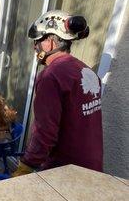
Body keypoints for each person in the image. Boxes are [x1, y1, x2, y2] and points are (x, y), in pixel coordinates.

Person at [13, 10, 103, 176]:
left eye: (37, 40)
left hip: (66, 173)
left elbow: (45, 132)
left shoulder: (51, 76)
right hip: (93, 168)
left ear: (50, 42)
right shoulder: (86, 71)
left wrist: (27, 165)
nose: (34, 46)